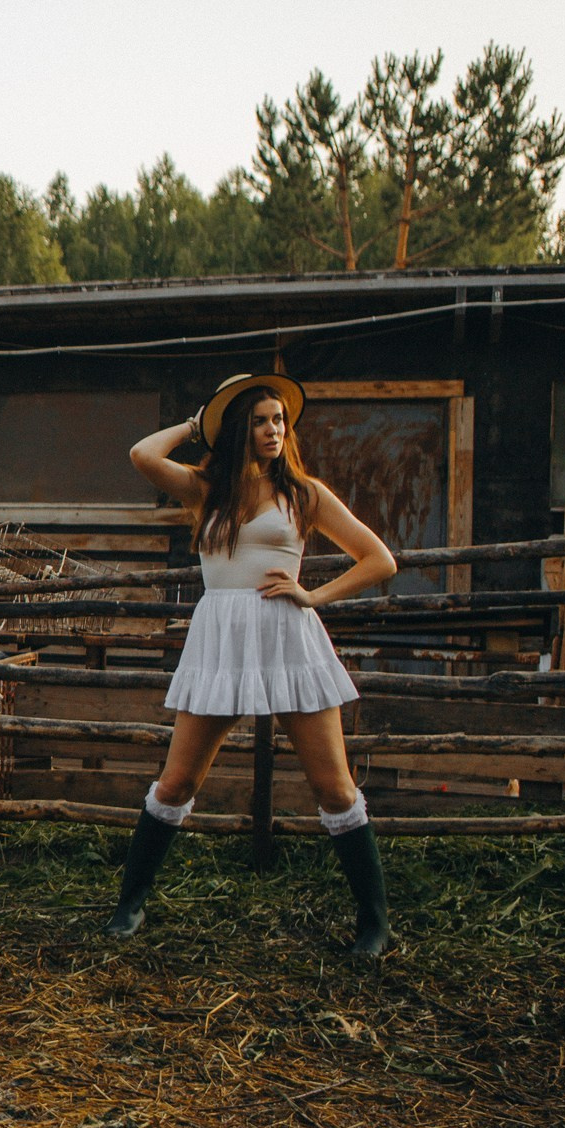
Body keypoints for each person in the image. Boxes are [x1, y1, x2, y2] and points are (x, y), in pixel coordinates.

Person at [115, 373, 400, 955]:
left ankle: (374, 924)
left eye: (280, 420)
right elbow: (143, 454)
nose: (274, 430)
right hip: (220, 639)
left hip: (287, 639)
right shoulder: (205, 490)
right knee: (177, 782)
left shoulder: (304, 494)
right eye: (261, 421)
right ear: (238, 429)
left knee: (335, 789)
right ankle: (130, 905)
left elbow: (380, 559)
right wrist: (199, 425)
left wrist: (315, 595)